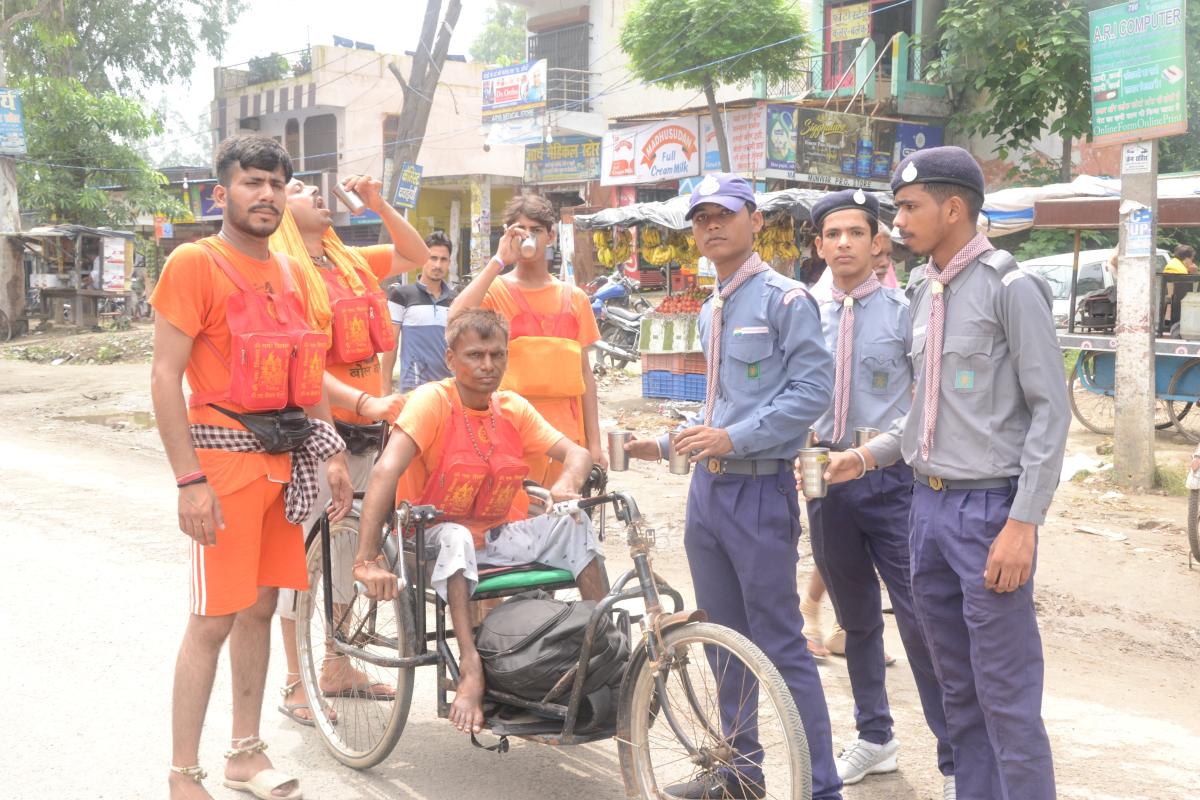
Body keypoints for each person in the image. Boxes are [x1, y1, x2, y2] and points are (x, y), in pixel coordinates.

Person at [824, 146, 1070, 800]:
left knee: (1005, 693)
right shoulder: (923, 293)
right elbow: (926, 414)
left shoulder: (1010, 289)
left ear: (953, 208)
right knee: (955, 688)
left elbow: (1051, 411)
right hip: (925, 512)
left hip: (988, 514)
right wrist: (865, 456)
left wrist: (1023, 522)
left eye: (909, 207)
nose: (897, 222)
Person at [625, 173, 842, 800]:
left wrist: (733, 439)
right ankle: (741, 775)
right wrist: (666, 443)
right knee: (722, 640)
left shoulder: (785, 300)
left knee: (779, 643)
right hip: (709, 495)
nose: (712, 226)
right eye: (701, 218)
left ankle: (820, 788)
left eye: (724, 213)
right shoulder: (712, 307)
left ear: (755, 220)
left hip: (759, 492)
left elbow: (812, 393)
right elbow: (720, 406)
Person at [151, 135, 354, 800]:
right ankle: (183, 773)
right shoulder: (195, 263)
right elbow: (165, 377)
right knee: (212, 618)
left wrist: (331, 452)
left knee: (261, 609)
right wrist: (190, 481)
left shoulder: (290, 273)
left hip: (283, 466)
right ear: (222, 193)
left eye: (276, 184)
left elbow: (307, 371)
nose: (266, 195)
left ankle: (245, 753)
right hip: (224, 466)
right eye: (252, 182)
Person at [351, 308, 606, 734]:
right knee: (456, 536)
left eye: (496, 355)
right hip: (426, 539)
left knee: (575, 522)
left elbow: (577, 454)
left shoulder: (511, 408)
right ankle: (470, 667)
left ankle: (603, 644)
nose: (488, 365)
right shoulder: (432, 402)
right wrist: (367, 559)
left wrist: (568, 482)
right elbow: (384, 472)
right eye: (475, 355)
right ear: (451, 359)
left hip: (493, 537)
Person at [804, 189, 953, 794]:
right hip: (823, 481)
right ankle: (875, 737)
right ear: (819, 246)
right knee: (856, 619)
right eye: (832, 234)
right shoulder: (803, 313)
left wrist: (868, 456)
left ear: (876, 243)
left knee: (921, 620)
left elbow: (923, 404)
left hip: (891, 481)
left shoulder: (903, 311)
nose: (843, 243)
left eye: (855, 233)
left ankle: (956, 759)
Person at [268, 173, 429, 727]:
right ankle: (296, 682)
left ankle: (335, 664)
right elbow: (302, 363)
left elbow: (415, 254)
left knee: (349, 552)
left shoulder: (350, 261)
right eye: (297, 189)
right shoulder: (282, 270)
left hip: (367, 430)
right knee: (305, 558)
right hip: (318, 432)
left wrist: (378, 204)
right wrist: (365, 400)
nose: (315, 192)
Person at [449, 193, 607, 483]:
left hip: (567, 436)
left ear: (551, 236)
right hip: (509, 433)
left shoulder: (575, 299)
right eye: (519, 230)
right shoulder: (496, 291)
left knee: (563, 509)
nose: (528, 237)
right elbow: (455, 319)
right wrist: (498, 260)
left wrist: (594, 444)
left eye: (536, 230)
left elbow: (585, 374)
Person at [384, 230, 457, 392]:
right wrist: (385, 388)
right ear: (423, 259)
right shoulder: (400, 295)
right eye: (433, 258)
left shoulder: (455, 301)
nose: (438, 265)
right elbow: (391, 345)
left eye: (443, 259)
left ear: (449, 262)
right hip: (413, 388)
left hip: (448, 389)